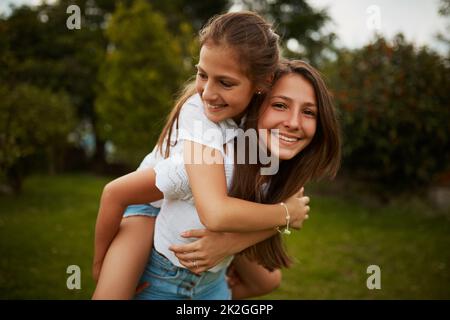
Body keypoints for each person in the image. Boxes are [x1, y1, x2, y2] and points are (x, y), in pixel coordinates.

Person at [92, 11, 309, 300]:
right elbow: (115, 194)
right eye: (202, 74)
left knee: (267, 281)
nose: (207, 92)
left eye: (225, 82)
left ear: (263, 82)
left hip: (201, 210)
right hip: (147, 204)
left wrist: (231, 244)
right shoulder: (199, 116)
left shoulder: (257, 121)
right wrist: (99, 265)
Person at [167, 59, 341, 299]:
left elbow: (274, 221)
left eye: (309, 112)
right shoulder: (217, 155)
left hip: (206, 281)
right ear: (257, 103)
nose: (293, 123)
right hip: (157, 260)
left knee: (268, 279)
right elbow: (132, 198)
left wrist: (229, 245)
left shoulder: (279, 167)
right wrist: (287, 216)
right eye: (280, 105)